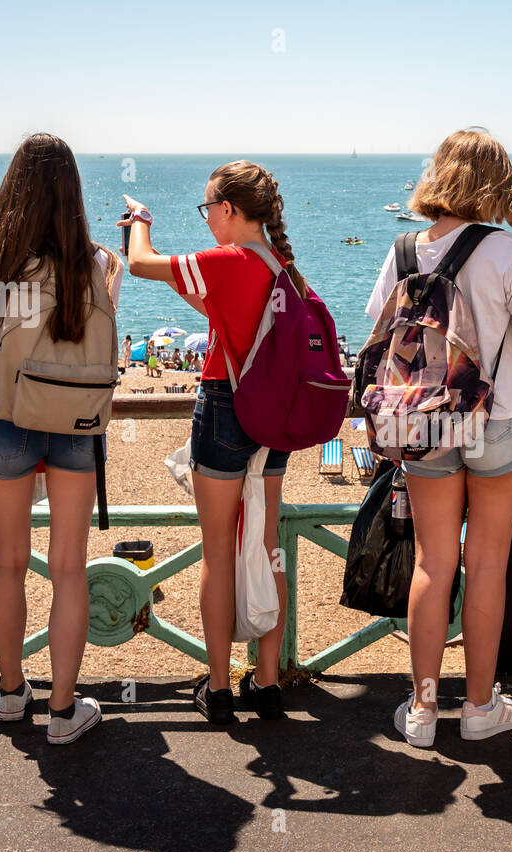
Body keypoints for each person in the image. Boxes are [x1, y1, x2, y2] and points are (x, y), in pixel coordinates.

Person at [366, 128, 512, 747]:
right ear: (498, 183)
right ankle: (479, 708)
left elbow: (380, 332)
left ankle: (422, 712)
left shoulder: (402, 250)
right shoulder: (509, 252)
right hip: (497, 420)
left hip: (424, 424)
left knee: (433, 562)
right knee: (487, 564)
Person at [0, 132, 122, 745]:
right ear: (73, 193)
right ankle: (63, 711)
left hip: (11, 417)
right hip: (77, 423)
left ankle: (13, 694)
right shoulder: (101, 263)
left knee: (8, 565)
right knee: (69, 568)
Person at [119, 160, 307, 724]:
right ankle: (268, 683)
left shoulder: (228, 261)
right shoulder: (284, 270)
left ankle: (220, 688)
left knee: (219, 548)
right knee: (268, 540)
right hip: (275, 414)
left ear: (228, 210)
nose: (206, 221)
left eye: (208, 210)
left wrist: (139, 221)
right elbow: (224, 313)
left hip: (226, 406)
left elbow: (138, 263)